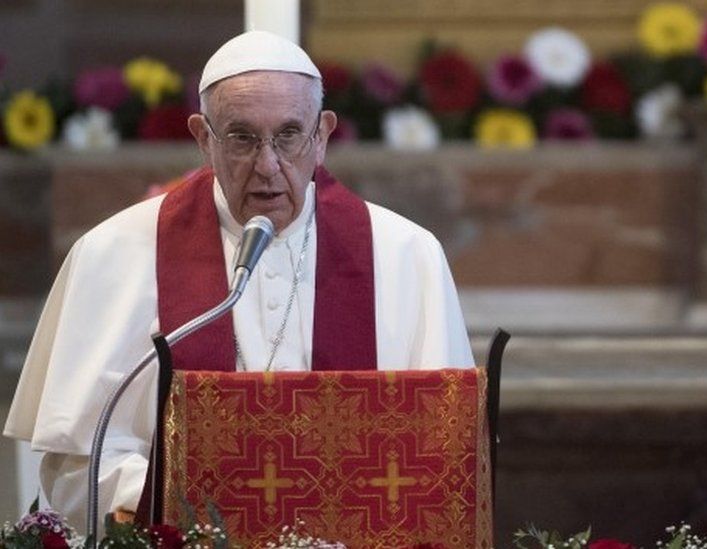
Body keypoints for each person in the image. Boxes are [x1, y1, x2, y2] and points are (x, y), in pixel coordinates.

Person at [3, 31, 474, 529]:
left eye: (289, 135)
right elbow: (80, 463)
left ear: (322, 137)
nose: (267, 165)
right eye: (242, 137)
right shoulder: (111, 254)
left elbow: (441, 454)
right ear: (203, 138)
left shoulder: (405, 255)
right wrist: (209, 512)